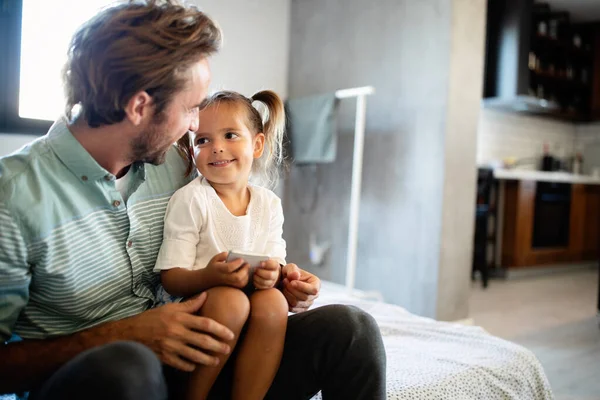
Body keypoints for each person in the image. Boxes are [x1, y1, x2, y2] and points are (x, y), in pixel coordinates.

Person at [0, 1, 386, 399]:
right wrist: (122, 335)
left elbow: (232, 239)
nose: (196, 128)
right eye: (190, 109)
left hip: (201, 358)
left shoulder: (181, 161)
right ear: (139, 107)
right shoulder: (12, 197)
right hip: (103, 381)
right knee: (125, 369)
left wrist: (275, 281)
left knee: (351, 330)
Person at [154, 89, 291, 400]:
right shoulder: (191, 199)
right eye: (203, 140)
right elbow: (171, 278)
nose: (216, 148)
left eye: (230, 135)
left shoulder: (268, 203)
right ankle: (193, 395)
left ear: (257, 144)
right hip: (197, 309)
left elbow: (276, 262)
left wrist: (274, 274)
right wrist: (211, 276)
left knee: (274, 302)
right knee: (232, 301)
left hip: (249, 310)